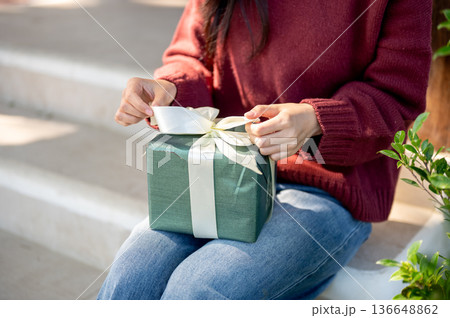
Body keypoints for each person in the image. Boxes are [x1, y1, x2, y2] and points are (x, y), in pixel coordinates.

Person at [98, 0, 432, 299]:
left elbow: (397, 98)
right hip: (227, 169)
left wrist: (316, 121)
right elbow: (193, 55)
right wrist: (169, 89)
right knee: (133, 275)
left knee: (198, 289)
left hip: (327, 188)